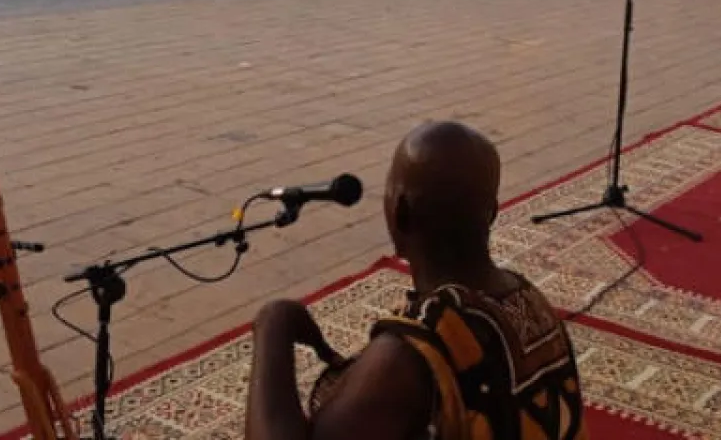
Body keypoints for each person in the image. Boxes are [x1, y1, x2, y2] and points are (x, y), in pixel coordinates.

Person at [247, 121, 586, 440]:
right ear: (492, 213)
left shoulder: (409, 354)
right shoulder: (530, 299)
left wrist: (273, 327)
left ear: (400, 212)